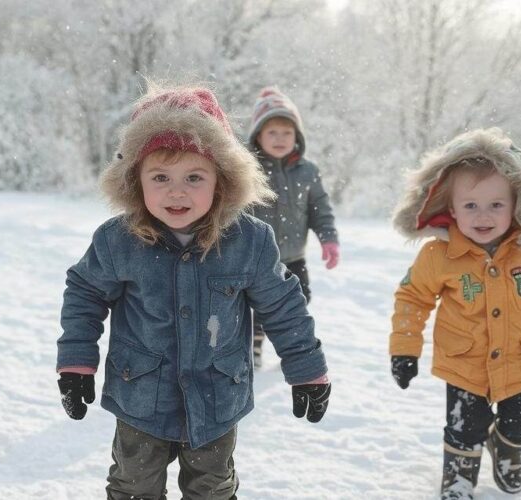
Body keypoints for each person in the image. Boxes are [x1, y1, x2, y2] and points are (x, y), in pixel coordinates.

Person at [56, 84, 331, 499]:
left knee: (212, 490)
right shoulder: (118, 241)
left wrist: (306, 367)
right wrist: (76, 362)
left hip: (217, 399)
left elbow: (282, 305)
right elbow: (85, 294)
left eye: (194, 177)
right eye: (161, 177)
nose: (177, 191)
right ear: (135, 181)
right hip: (140, 398)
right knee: (133, 487)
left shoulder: (249, 241)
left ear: (222, 181)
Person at [389, 128, 521, 499]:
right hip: (464, 365)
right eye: (470, 205)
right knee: (463, 427)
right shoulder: (438, 256)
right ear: (451, 207)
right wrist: (404, 349)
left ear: (518, 203)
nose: (483, 215)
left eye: (496, 204)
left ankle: (506, 449)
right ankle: (458, 479)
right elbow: (412, 298)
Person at [247, 86, 340, 367]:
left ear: (297, 136)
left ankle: (287, 343)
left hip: (294, 256)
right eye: (272, 132)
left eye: (287, 133)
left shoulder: (307, 171)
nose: (280, 139)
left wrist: (329, 239)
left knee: (300, 299)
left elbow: (320, 210)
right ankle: (254, 344)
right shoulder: (248, 169)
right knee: (261, 306)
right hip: (259, 258)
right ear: (258, 136)